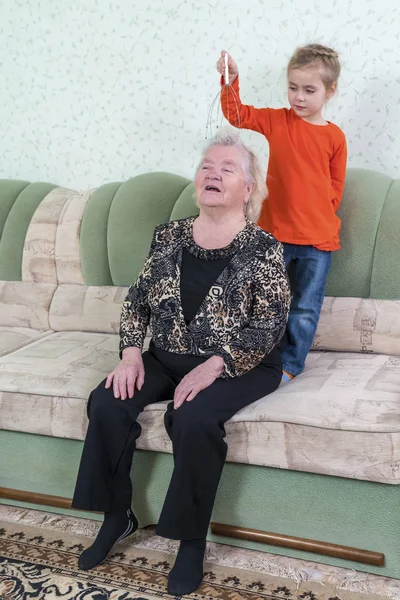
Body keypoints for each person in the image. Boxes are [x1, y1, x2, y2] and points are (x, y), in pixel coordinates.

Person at [72, 130, 290, 595]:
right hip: (165, 355)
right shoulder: (167, 236)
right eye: (206, 165)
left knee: (191, 416)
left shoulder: (265, 248)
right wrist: (131, 352)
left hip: (238, 363)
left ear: (248, 190)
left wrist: (214, 365)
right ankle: (118, 517)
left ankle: (191, 542)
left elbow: (270, 326)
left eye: (227, 168)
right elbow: (137, 302)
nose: (212, 173)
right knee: (108, 400)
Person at [217, 44, 347, 381]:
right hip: (274, 236)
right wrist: (229, 78)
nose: (299, 97)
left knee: (304, 308)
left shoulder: (335, 137)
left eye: (309, 90)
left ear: (330, 91)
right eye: (293, 88)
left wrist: (318, 211)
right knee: (263, 304)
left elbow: (335, 186)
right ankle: (255, 357)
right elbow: (238, 115)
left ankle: (291, 365)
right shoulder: (278, 121)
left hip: (318, 242)